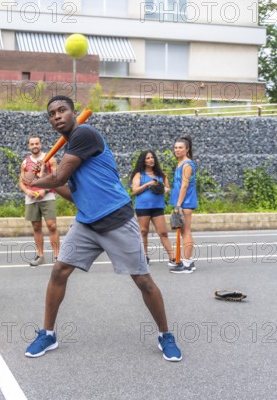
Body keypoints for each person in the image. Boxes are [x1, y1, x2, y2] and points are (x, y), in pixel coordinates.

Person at [21, 95, 182, 362]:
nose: (57, 116)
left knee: (143, 280)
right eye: (51, 114)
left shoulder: (85, 134)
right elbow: (71, 192)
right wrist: (41, 179)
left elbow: (59, 177)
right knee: (59, 271)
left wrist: (36, 180)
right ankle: (48, 333)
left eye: (62, 110)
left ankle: (165, 335)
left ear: (74, 113)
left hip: (116, 219)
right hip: (87, 222)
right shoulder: (71, 149)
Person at [130, 150, 178, 267]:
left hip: (157, 206)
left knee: (163, 232)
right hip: (143, 207)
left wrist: (164, 189)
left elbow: (167, 188)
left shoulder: (161, 174)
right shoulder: (139, 174)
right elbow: (134, 191)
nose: (151, 160)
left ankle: (173, 257)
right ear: (143, 160)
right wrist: (148, 184)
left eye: (152, 157)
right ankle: (144, 257)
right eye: (147, 158)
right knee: (143, 231)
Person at [19, 134, 60, 266]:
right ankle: (40, 256)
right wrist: (27, 191)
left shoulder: (50, 159)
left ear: (40, 145)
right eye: (32, 144)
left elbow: (56, 177)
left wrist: (45, 190)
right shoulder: (25, 163)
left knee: (52, 226)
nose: (35, 146)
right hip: (31, 197)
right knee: (36, 227)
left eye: (37, 143)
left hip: (47, 195)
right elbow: (21, 182)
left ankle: (57, 256)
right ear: (28, 146)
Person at [168, 135, 198, 274]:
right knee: (183, 232)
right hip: (181, 202)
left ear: (187, 149)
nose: (177, 150)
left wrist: (179, 205)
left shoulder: (187, 164)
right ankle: (188, 261)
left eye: (180, 148)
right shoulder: (180, 163)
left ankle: (187, 264)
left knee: (186, 232)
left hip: (185, 202)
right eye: (175, 147)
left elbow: (184, 186)